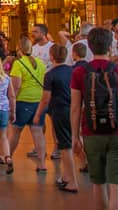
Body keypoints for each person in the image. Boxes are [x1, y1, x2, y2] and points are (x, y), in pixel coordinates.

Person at [71, 27, 118, 210]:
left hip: (91, 132)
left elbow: (76, 108)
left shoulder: (79, 73)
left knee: (98, 183)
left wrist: (74, 137)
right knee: (116, 184)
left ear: (90, 47)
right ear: (110, 46)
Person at [34, 44, 77, 192]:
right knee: (71, 142)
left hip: (60, 110)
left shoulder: (50, 75)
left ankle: (72, 181)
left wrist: (38, 114)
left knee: (65, 147)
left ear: (51, 56)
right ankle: (66, 176)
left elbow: (46, 98)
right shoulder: (73, 72)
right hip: (74, 109)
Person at [8, 35, 47, 172]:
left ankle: (8, 157)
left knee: (15, 132)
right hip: (38, 101)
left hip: (23, 101)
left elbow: (16, 86)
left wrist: (11, 102)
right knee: (38, 133)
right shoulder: (40, 63)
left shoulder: (18, 64)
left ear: (19, 48)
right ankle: (42, 164)